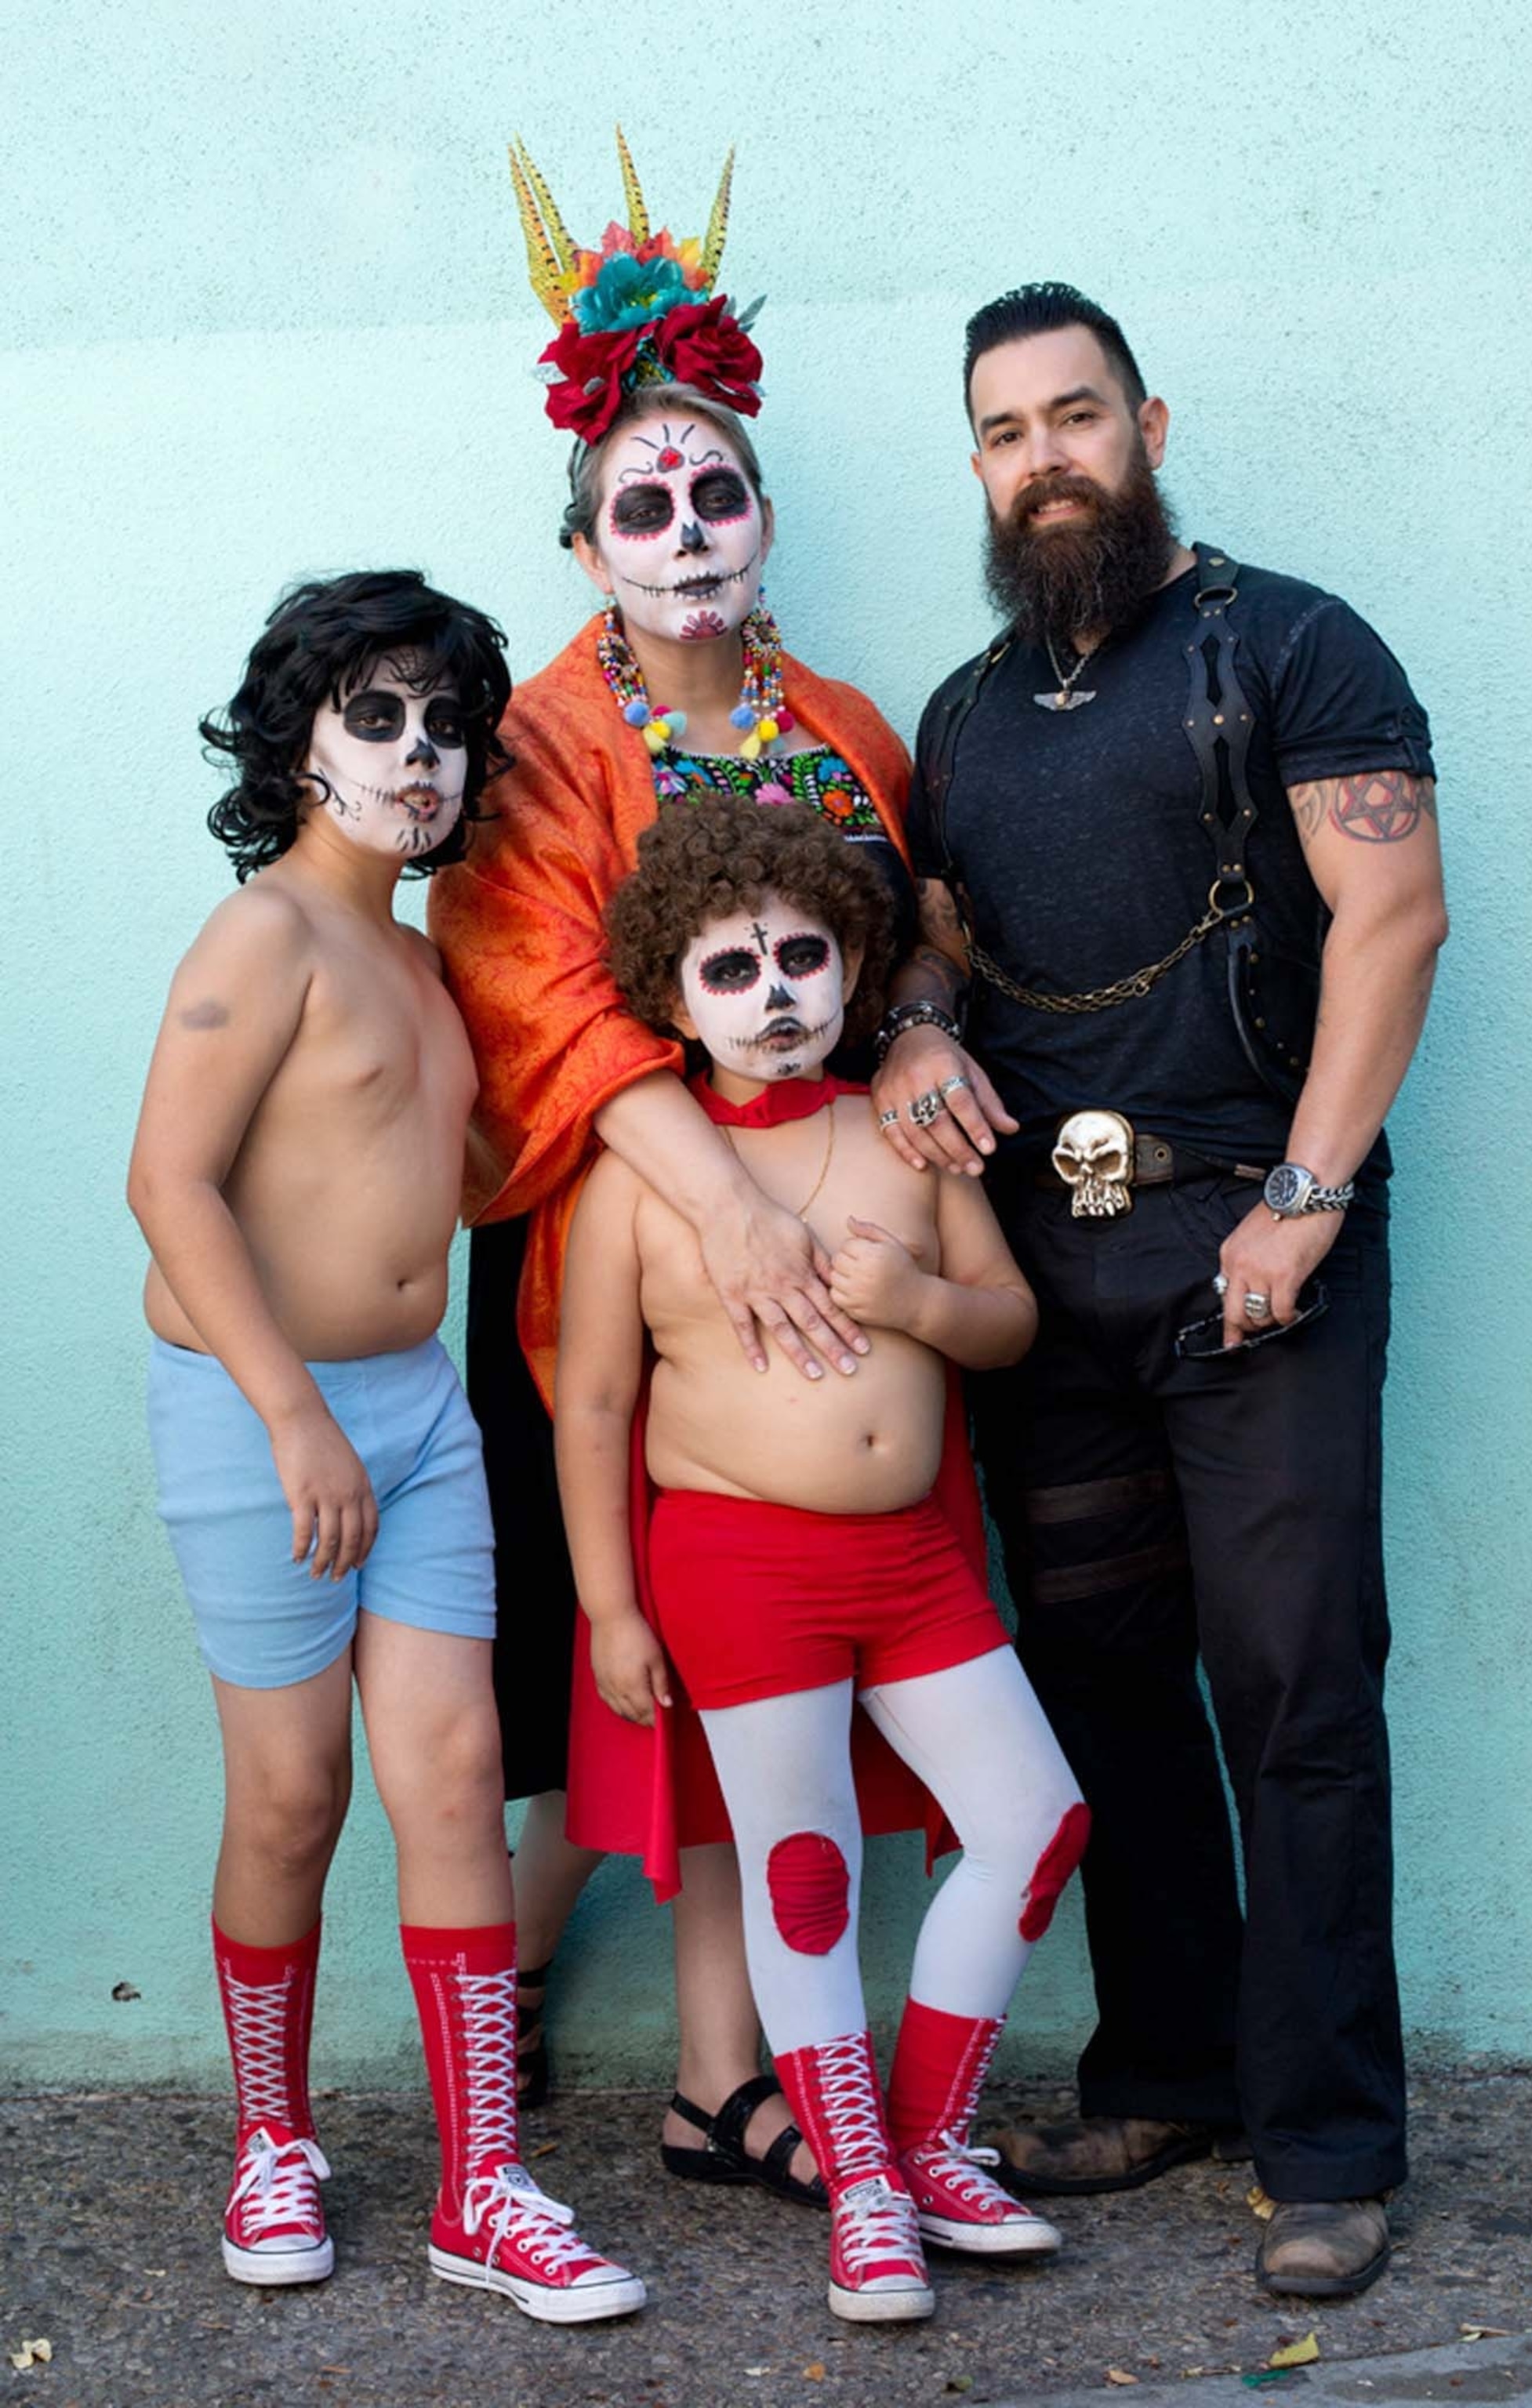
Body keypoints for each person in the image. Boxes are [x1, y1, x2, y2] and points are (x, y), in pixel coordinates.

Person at [872, 281, 1447, 2300]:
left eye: (1077, 415)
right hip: (1055, 1285)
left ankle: (1328, 2144)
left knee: (1292, 1691)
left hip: (1252, 1253)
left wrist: (1304, 1198)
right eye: (1007, 430)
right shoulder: (962, 711)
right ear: (976, 464)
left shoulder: (1285, 641)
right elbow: (938, 928)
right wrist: (915, 1027)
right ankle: (1173, 2068)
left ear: (1146, 423)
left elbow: (1393, 913)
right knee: (1105, 1683)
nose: (1045, 458)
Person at [430, 133, 915, 2197]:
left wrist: (941, 1034)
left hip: (818, 1259)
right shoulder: (541, 740)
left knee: (762, 1644)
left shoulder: (849, 721)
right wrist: (712, 1201)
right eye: (646, 502)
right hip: (608, 1273)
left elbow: (920, 936)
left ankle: (733, 2071)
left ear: (765, 514)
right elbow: (533, 990)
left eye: (716, 492)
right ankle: (544, 1981)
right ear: (589, 544)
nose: (687, 525)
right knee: (587, 1654)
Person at [129, 571, 644, 2325]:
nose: (419, 755)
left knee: (449, 1778)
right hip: (259, 1410)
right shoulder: (262, 936)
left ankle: (483, 2182)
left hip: (419, 1413)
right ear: (296, 745)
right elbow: (167, 1186)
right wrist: (289, 1415)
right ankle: (272, 2138)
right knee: (293, 1797)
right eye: (376, 717)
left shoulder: (424, 962)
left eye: (445, 724)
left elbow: (461, 1172)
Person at [557, 797, 1090, 2321]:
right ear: (673, 998)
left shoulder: (908, 1137)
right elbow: (593, 1402)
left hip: (910, 1568)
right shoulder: (639, 1183)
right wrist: (607, 1603)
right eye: (732, 970)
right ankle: (857, 2187)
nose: (777, 992)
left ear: (854, 968)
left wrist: (914, 1297)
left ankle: (921, 2145)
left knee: (1035, 1821)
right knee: (804, 1876)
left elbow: (1006, 1322)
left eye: (803, 955)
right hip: (734, 1568)